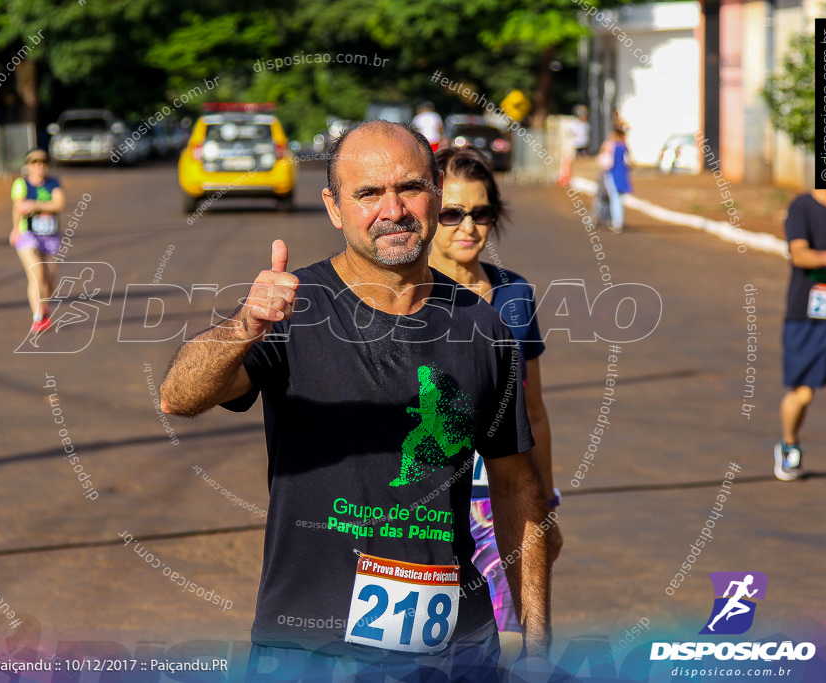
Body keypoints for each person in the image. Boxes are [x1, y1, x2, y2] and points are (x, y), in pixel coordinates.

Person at [160, 120, 552, 680]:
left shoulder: (484, 329)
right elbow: (179, 396)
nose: (392, 209)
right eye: (368, 193)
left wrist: (537, 645)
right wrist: (246, 324)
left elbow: (517, 487)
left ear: (436, 191)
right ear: (334, 207)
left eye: (409, 187)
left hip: (457, 652)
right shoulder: (292, 313)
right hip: (311, 653)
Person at [427, 147, 562, 659]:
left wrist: (545, 508)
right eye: (452, 213)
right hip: (426, 505)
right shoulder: (405, 297)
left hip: (501, 504)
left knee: (509, 644)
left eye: (481, 213)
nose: (468, 226)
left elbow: (536, 412)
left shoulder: (514, 296)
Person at [775, 188, 826, 490]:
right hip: (808, 318)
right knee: (803, 394)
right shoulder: (802, 207)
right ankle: (789, 445)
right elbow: (799, 254)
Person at [10, 149, 65, 333]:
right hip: (27, 233)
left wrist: (34, 205)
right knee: (36, 272)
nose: (39, 166)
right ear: (28, 166)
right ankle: (37, 317)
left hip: (50, 235)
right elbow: (19, 206)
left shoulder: (53, 183)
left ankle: (44, 306)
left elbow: (59, 204)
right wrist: (16, 229)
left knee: (50, 277)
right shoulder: (21, 184)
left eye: (42, 162)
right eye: (34, 162)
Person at [597, 125, 632, 233]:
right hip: (623, 175)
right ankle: (619, 221)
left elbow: (604, 161)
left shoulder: (610, 146)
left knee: (614, 199)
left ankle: (616, 222)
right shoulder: (624, 147)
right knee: (620, 199)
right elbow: (629, 162)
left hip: (612, 174)